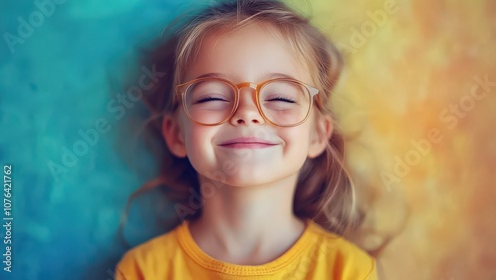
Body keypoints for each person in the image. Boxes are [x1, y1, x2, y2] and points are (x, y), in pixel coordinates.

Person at [115, 0, 378, 279]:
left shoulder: (349, 271)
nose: (248, 113)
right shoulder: (142, 271)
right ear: (176, 134)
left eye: (280, 97)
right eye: (212, 97)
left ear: (318, 135)